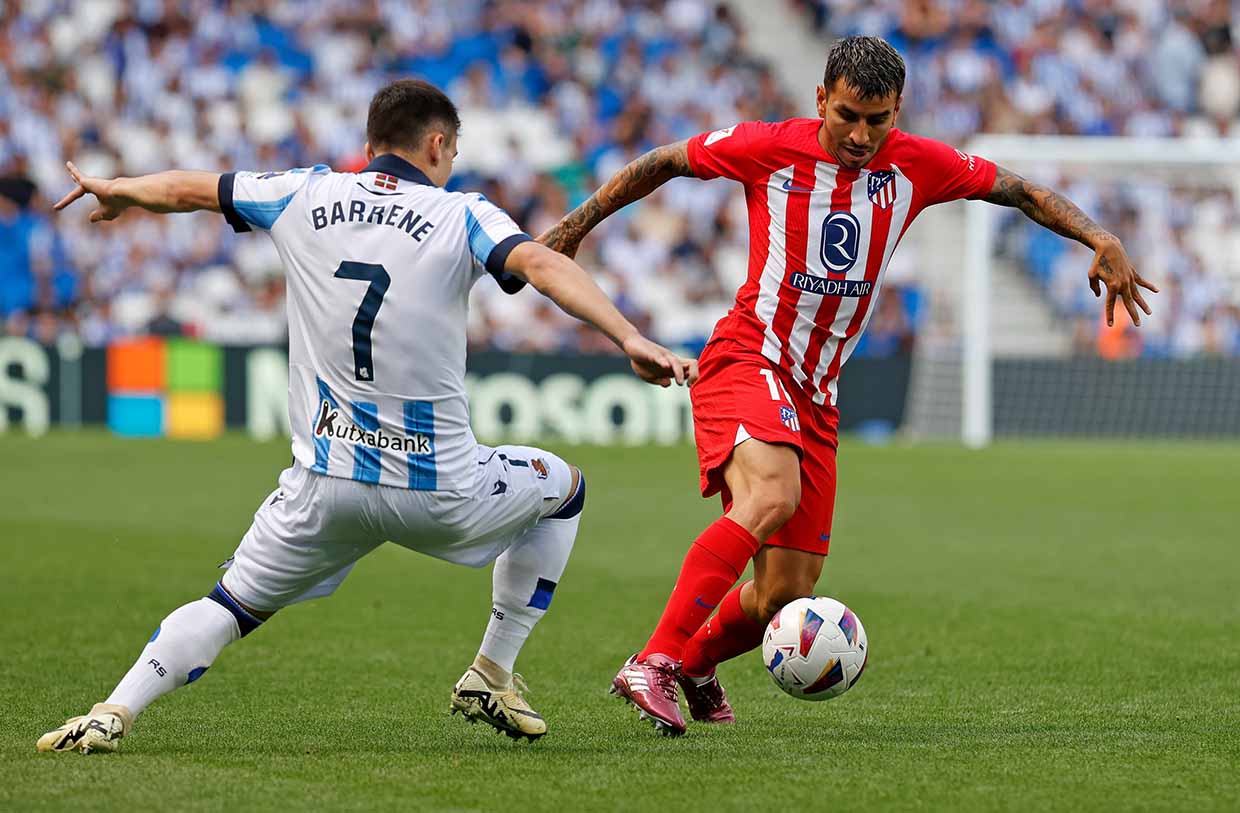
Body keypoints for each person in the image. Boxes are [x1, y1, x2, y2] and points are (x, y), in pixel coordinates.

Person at [37, 79, 695, 753]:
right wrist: (628, 336)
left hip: (325, 486)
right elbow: (536, 263)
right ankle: (491, 669)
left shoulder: (302, 192)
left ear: (369, 142)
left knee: (227, 606)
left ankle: (113, 709)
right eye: (453, 147)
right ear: (438, 144)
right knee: (566, 487)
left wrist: (117, 188)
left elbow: (185, 189)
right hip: (439, 490)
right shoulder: (462, 213)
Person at [540, 36, 1157, 736]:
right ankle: (651, 660)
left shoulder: (920, 164)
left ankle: (694, 663)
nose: (862, 135)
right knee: (773, 494)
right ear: (819, 101)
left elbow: (1020, 191)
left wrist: (1097, 235)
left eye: (879, 119)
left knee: (785, 592)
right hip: (748, 356)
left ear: (898, 112)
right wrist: (574, 225)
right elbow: (663, 161)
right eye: (847, 116)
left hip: (817, 392)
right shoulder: (765, 147)